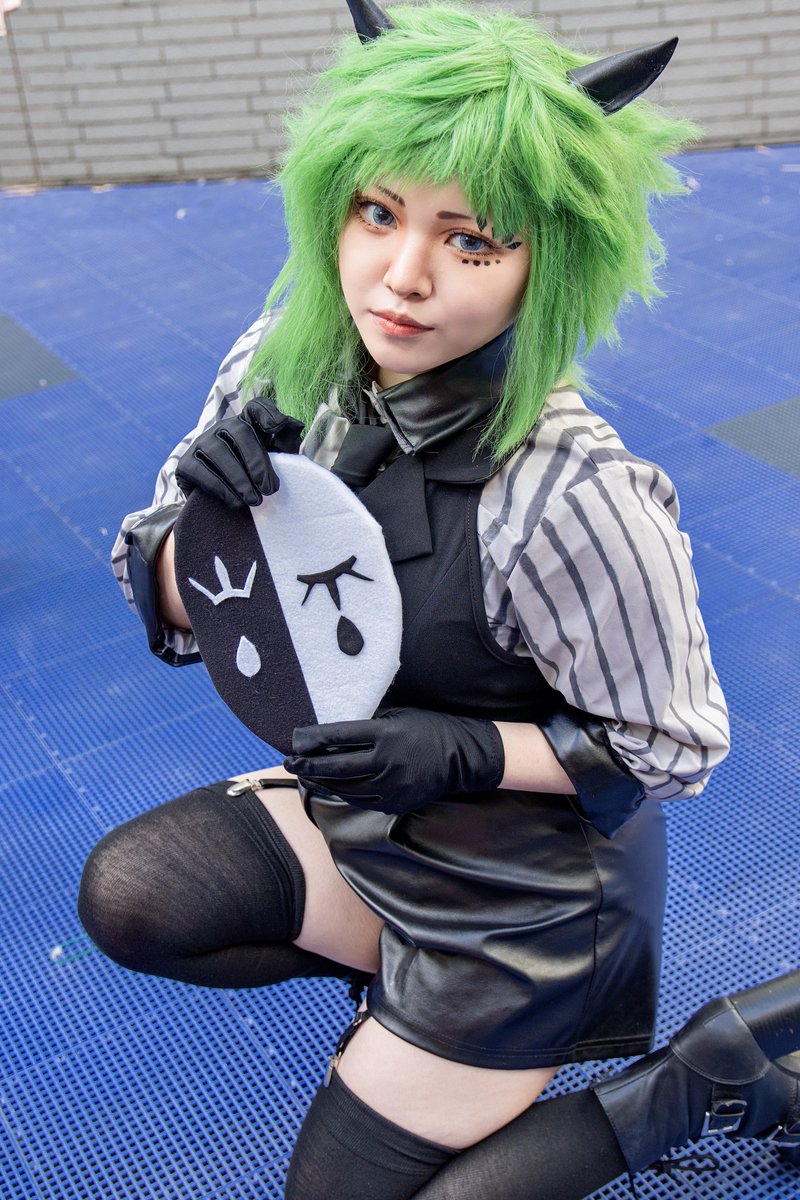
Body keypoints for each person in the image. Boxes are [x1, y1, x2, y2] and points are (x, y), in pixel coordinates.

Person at [77, 3, 800, 1197]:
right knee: (136, 895)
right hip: (368, 817)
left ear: (546, 260)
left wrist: (461, 751)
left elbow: (673, 746)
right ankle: (396, 996)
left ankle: (703, 1078)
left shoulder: (569, 493)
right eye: (378, 212)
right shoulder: (283, 361)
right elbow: (165, 596)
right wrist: (197, 530)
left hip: (523, 894)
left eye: (470, 241)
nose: (401, 277)